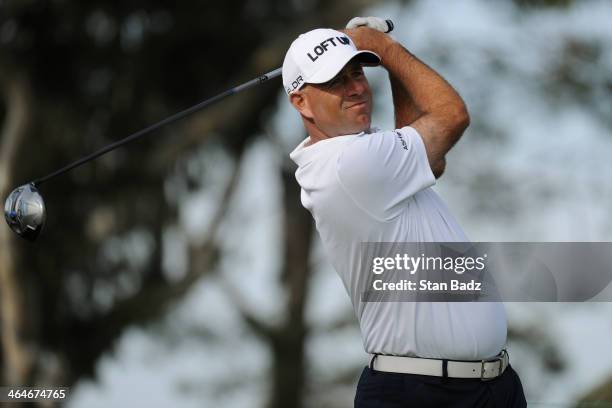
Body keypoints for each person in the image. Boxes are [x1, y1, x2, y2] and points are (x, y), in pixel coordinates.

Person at [283, 17, 527, 407]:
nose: (356, 87)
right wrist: (384, 48)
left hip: (490, 388)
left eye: (358, 71)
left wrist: (383, 55)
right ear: (301, 102)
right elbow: (450, 116)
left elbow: (432, 160)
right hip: (418, 392)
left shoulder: (366, 153)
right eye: (335, 81)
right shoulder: (348, 164)